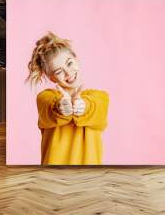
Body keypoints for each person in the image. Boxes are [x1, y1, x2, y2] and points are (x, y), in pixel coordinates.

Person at [27, 31, 109, 165]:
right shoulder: (45, 97)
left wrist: (83, 106)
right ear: (52, 77)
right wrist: (60, 107)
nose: (68, 73)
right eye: (59, 71)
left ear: (76, 60)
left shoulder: (99, 97)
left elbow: (96, 109)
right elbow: (50, 109)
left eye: (69, 63)